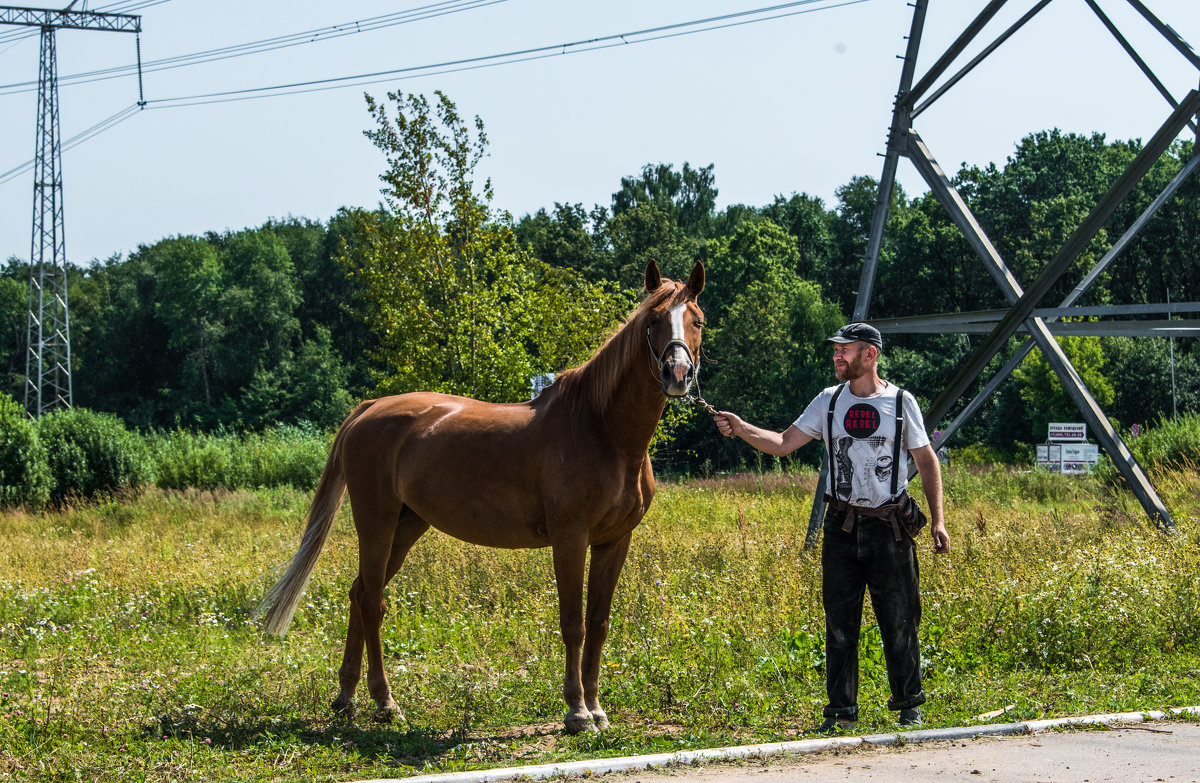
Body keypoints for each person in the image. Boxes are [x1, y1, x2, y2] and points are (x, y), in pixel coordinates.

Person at [713, 322, 949, 732]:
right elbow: (784, 443)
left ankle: (909, 705)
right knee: (839, 625)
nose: (837, 356)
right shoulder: (828, 402)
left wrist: (938, 522)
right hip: (840, 524)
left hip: (890, 526)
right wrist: (741, 428)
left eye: (845, 350)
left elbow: (927, 461)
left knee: (900, 618)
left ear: (870, 354)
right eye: (836, 350)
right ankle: (841, 713)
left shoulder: (901, 401)